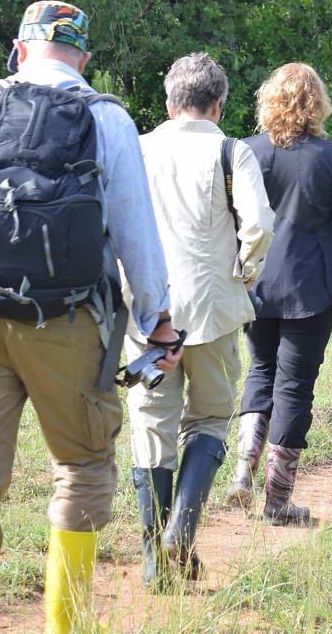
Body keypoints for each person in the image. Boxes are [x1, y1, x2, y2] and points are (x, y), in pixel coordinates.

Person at [0, 1, 182, 634]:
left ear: (19, 48)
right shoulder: (105, 117)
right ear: (84, 58)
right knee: (82, 469)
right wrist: (157, 323)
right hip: (69, 324)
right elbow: (136, 233)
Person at [125, 53, 273, 587]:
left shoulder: (137, 148)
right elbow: (258, 226)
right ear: (218, 104)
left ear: (169, 103)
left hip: (146, 317)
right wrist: (246, 272)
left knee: (150, 424)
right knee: (209, 419)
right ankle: (179, 535)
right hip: (211, 310)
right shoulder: (231, 150)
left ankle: (152, 560)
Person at [225, 63, 332, 525]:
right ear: (317, 104)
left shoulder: (245, 151)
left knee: (261, 370)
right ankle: (277, 502)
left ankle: (241, 473)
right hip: (310, 289)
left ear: (269, 101)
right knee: (294, 386)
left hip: (255, 285)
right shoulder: (330, 157)